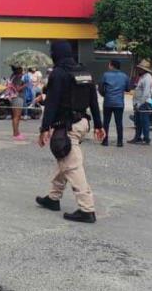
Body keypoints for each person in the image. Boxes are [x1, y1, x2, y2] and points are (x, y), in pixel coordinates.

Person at [36, 41, 105, 223]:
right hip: (83, 122)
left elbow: (51, 103)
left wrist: (44, 128)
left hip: (67, 126)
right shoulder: (84, 72)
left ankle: (86, 209)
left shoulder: (59, 74)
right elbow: (93, 101)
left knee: (73, 166)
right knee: (65, 159)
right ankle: (53, 198)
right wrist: (99, 125)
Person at [99, 59, 130, 147]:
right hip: (119, 103)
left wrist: (105, 95)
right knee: (119, 122)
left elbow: (100, 87)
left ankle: (105, 141)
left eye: (109, 64)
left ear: (112, 66)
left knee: (106, 122)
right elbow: (128, 89)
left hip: (108, 102)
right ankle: (119, 142)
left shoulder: (106, 75)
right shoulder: (124, 76)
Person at [130, 60, 152, 146]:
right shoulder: (142, 77)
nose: (139, 69)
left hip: (144, 103)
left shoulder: (147, 78)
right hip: (138, 103)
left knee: (144, 122)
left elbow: (146, 93)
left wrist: (140, 104)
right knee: (137, 121)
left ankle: (146, 138)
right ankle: (137, 137)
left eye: (140, 68)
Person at [5, 65, 26, 141]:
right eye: (21, 69)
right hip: (17, 97)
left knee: (16, 116)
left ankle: (17, 132)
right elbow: (17, 88)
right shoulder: (17, 77)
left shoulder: (13, 76)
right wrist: (25, 85)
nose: (22, 70)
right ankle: (15, 133)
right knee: (16, 116)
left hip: (14, 97)